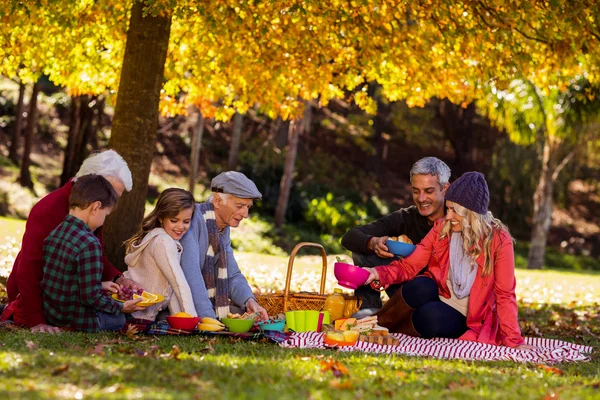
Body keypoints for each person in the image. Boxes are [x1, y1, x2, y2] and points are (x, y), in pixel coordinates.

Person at [363, 172, 534, 350]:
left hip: (470, 316)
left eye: (455, 211)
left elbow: (505, 294)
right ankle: (373, 326)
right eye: (448, 208)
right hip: (442, 294)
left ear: (471, 214)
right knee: (420, 285)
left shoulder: (499, 241)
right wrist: (378, 273)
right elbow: (410, 265)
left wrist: (514, 341)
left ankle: (387, 332)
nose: (448, 216)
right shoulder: (443, 228)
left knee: (429, 317)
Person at [2, 150, 141, 333]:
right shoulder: (49, 209)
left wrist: (118, 278)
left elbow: (95, 254)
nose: (113, 203)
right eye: (111, 193)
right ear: (93, 183)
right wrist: (37, 320)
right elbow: (29, 268)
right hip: (41, 297)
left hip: (69, 297)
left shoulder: (88, 212)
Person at [341, 157, 451, 314]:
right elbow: (350, 237)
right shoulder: (407, 217)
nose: (421, 198)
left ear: (445, 189)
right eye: (415, 191)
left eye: (428, 191)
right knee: (361, 251)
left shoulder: (456, 218)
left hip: (441, 295)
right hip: (406, 281)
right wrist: (373, 243)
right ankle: (369, 311)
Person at [41, 175, 143, 332]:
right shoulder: (89, 243)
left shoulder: (57, 231)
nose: (103, 221)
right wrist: (121, 307)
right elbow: (90, 297)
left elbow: (64, 279)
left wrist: (100, 285)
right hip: (78, 320)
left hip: (52, 313)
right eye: (105, 215)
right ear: (96, 207)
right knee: (121, 319)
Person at [180, 171, 268, 321]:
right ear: (217, 201)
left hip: (197, 299)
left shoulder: (221, 229)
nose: (245, 214)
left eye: (248, 207)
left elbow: (232, 274)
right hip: (176, 299)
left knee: (244, 313)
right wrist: (209, 319)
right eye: (240, 206)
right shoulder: (192, 219)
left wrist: (249, 301)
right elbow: (191, 275)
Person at [123, 188, 198, 321]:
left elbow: (170, 288)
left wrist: (180, 320)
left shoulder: (164, 239)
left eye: (186, 221)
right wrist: (192, 320)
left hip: (141, 315)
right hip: (133, 315)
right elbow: (178, 282)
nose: (181, 226)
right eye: (174, 220)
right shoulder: (163, 241)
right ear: (161, 218)